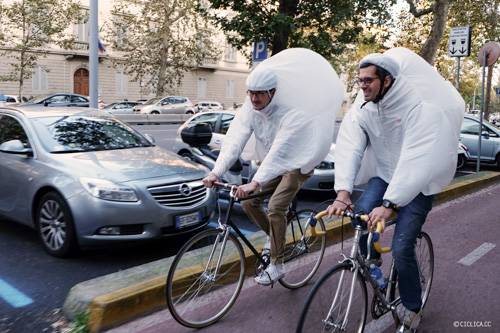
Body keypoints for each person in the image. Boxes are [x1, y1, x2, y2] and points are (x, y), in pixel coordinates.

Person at [326, 48, 464, 332]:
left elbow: (418, 157)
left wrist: (390, 203)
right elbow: (350, 144)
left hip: (419, 183)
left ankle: (413, 307)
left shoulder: (418, 106)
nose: (362, 86)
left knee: (401, 248)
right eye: (360, 80)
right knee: (359, 220)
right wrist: (343, 192)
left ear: (386, 81)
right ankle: (373, 261)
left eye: (368, 81)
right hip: (386, 175)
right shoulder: (364, 105)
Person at [203, 48, 344, 286]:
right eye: (250, 94)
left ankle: (277, 264)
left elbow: (281, 151)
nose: (254, 99)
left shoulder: (292, 112)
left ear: (273, 92)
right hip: (273, 161)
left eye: (259, 94)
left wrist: (255, 182)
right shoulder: (250, 107)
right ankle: (275, 238)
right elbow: (234, 139)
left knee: (277, 206)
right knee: (248, 201)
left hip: (299, 160)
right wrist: (216, 172)